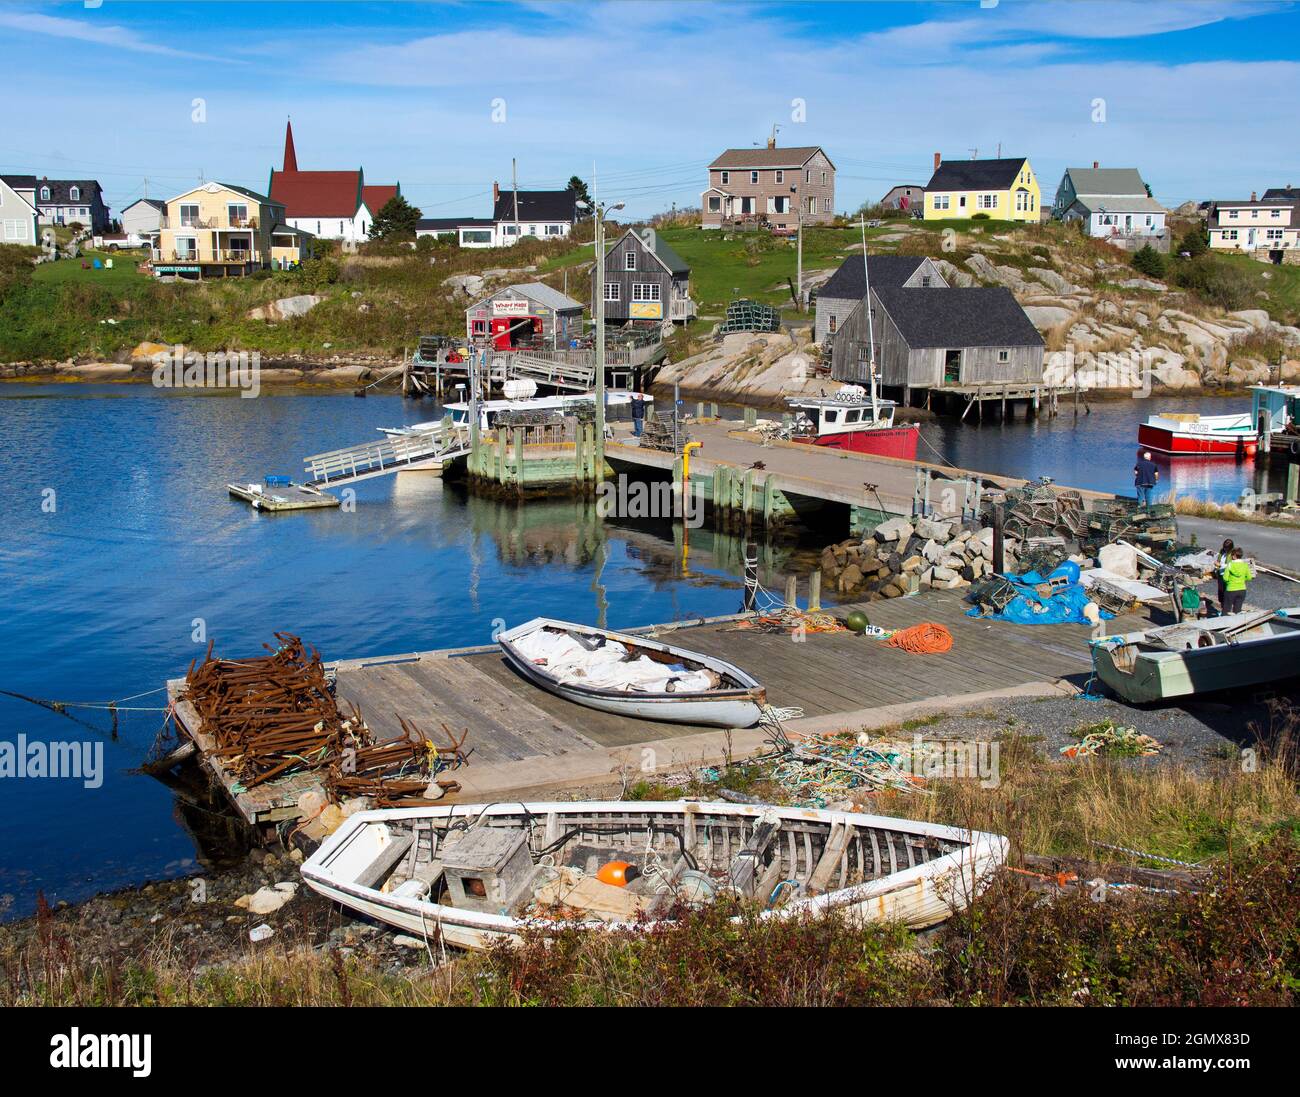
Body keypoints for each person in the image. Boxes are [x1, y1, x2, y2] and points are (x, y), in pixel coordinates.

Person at [1221, 547, 1255, 615]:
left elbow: (1225, 578)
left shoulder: (1230, 564)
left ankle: (1224, 623)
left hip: (1231, 589)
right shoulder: (1245, 565)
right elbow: (1249, 577)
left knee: (1226, 609)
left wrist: (1229, 582)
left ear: (1234, 556)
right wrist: (1242, 580)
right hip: (1242, 589)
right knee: (1237, 610)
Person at [1214, 538, 1235, 613]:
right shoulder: (1221, 551)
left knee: (1226, 592)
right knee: (1221, 591)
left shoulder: (1232, 554)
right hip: (1220, 574)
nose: (1225, 549)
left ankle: (1226, 609)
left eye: (1227, 548)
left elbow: (1231, 565)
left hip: (1227, 575)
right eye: (1224, 547)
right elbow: (1218, 560)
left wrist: (1220, 565)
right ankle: (1222, 607)